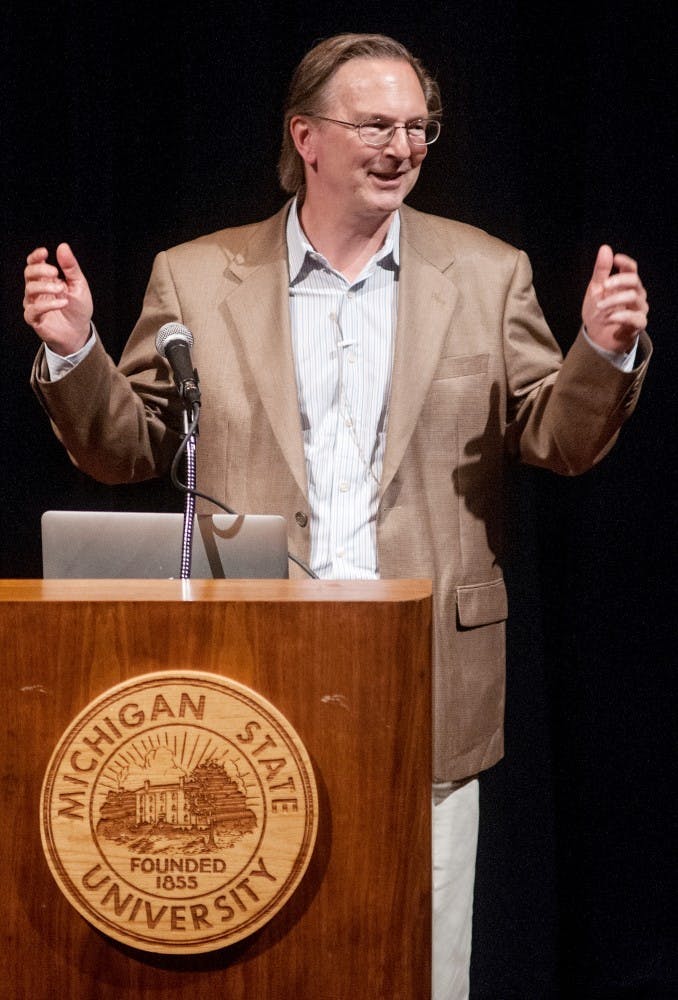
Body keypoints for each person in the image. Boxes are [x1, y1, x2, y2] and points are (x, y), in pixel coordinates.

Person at [23, 33, 650, 1000]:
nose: (401, 146)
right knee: (264, 953)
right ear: (305, 137)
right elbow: (130, 447)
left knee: (424, 958)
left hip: (426, 671)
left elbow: (555, 439)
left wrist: (601, 355)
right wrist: (76, 354)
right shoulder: (196, 277)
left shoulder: (488, 273)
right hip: (250, 668)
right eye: (375, 125)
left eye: (418, 127)